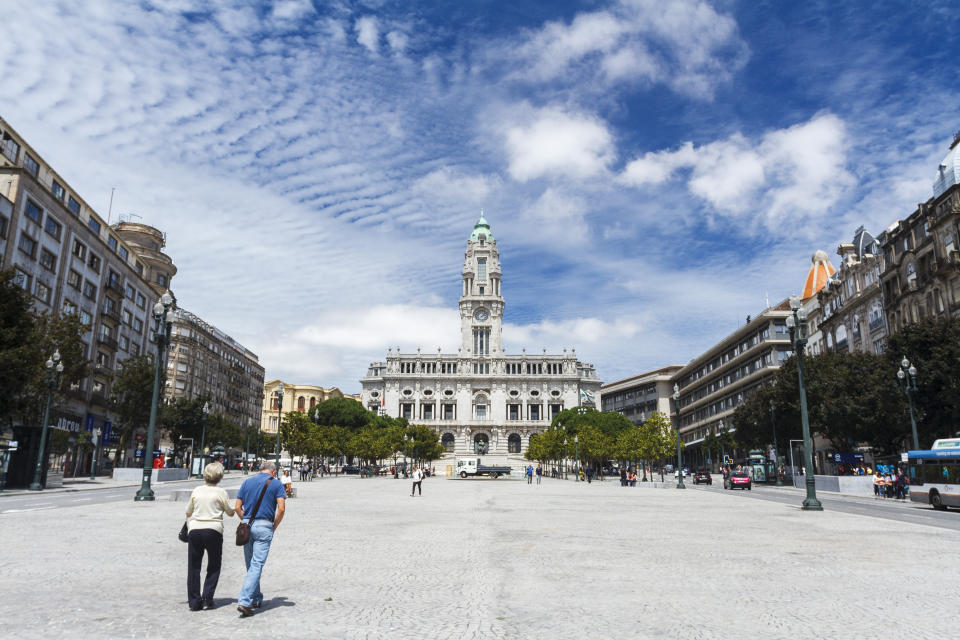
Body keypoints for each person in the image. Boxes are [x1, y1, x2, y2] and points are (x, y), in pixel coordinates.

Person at [235, 460, 286, 617]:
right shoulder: (276, 484)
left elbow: (237, 507)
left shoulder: (247, 482)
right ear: (272, 471)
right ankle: (244, 601)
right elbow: (282, 508)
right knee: (257, 564)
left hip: (247, 526)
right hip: (265, 526)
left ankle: (256, 598)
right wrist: (273, 526)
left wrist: (247, 521)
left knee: (250, 565)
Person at [184, 462, 235, 611]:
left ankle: (194, 601)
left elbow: (188, 512)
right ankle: (207, 597)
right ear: (220, 476)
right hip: (213, 530)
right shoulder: (221, 492)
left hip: (195, 530)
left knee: (193, 566)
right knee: (214, 565)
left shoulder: (197, 490)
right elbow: (230, 512)